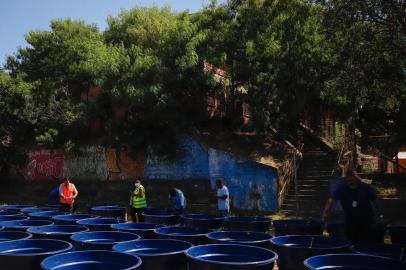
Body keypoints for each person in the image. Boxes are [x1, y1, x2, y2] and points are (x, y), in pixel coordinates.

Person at [322, 169, 377, 243]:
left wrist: (378, 214)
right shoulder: (342, 188)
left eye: (354, 178)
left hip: (366, 218)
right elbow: (331, 200)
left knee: (364, 239)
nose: (352, 180)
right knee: (351, 239)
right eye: (350, 179)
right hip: (350, 219)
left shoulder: (366, 188)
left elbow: (375, 201)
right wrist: (326, 213)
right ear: (346, 179)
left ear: (357, 178)